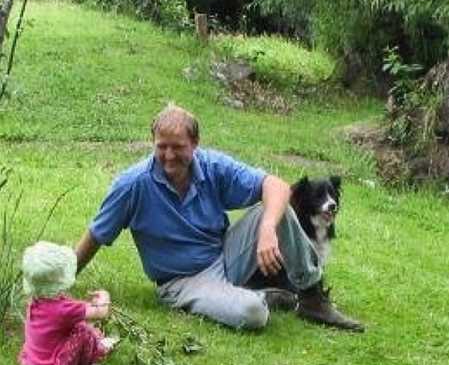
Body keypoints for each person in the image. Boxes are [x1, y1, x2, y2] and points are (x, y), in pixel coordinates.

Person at [74, 103, 363, 332]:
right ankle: (255, 296)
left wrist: (266, 229)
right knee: (253, 314)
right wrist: (61, 278)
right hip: (183, 280)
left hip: (224, 255)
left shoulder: (212, 166)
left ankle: (312, 297)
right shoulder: (132, 185)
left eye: (178, 147)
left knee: (278, 209)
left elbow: (276, 185)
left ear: (195, 143)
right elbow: (97, 234)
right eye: (161, 146)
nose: (169, 155)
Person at [18, 241, 117, 365]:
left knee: (77, 325)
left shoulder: (35, 301)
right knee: (82, 331)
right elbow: (101, 312)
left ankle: (97, 342)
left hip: (33, 362)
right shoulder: (64, 310)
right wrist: (105, 297)